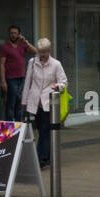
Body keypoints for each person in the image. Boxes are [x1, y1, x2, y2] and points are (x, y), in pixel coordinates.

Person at [21, 37, 67, 169]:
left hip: (49, 102)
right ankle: (46, 157)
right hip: (35, 102)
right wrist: (24, 101)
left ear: (49, 50)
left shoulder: (56, 64)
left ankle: (41, 158)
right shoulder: (32, 62)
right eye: (40, 52)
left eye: (44, 52)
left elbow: (64, 82)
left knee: (45, 130)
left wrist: (57, 86)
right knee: (42, 130)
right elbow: (27, 82)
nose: (42, 55)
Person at [0, 25, 36, 123]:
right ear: (9, 35)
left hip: (22, 78)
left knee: (20, 102)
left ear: (19, 35)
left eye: (15, 33)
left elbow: (35, 51)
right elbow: (1, 65)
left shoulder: (22, 45)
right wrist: (3, 81)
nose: (13, 35)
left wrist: (25, 41)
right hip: (11, 79)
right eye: (11, 33)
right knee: (11, 102)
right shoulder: (5, 47)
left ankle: (19, 125)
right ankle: (9, 125)